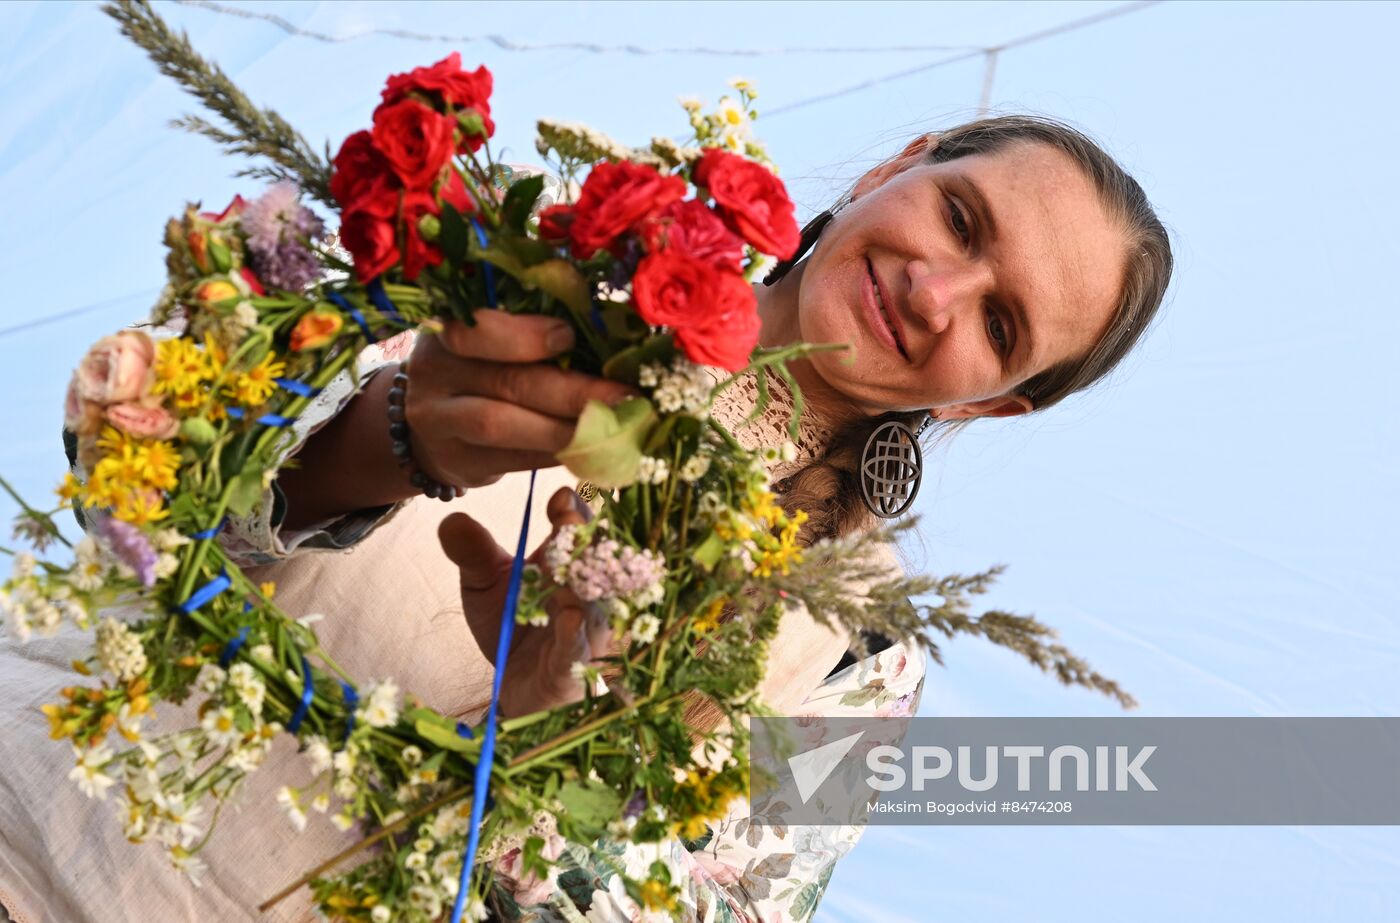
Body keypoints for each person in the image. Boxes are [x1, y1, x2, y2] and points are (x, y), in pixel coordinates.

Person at [0, 115, 1171, 923]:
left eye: (1000, 323)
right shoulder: (536, 247)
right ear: (899, 164)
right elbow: (128, 433)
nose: (932, 290)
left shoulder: (856, 659)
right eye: (960, 219)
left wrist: (531, 744)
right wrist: (381, 439)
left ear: (996, 399)